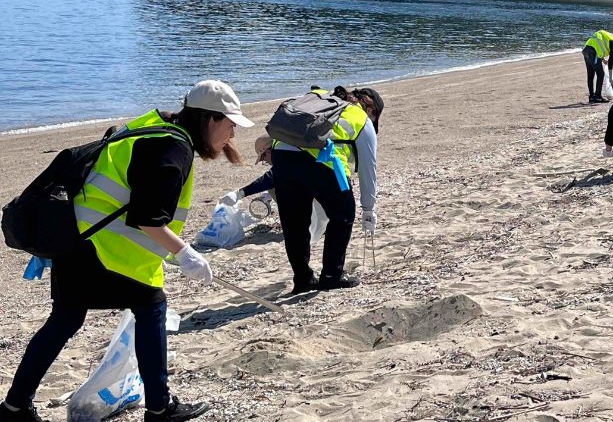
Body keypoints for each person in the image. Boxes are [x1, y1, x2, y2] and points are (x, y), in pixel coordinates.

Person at [0, 80, 253, 422]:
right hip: (104, 249)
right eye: (230, 125)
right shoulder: (172, 148)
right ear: (210, 119)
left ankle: (14, 406)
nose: (232, 136)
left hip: (74, 239)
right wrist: (185, 254)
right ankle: (160, 408)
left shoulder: (154, 125)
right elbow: (147, 219)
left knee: (65, 318)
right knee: (151, 307)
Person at [271, 86, 383, 295]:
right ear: (372, 110)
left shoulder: (320, 99)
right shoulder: (360, 117)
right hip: (322, 162)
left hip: (281, 155)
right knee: (342, 215)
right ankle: (331, 276)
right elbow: (369, 169)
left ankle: (303, 279)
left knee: (294, 222)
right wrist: (369, 210)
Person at [220, 135, 275, 206]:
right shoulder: (287, 147)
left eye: (264, 158)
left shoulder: (283, 157)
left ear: (267, 152)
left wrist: (239, 193)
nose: (268, 163)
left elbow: (271, 177)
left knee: (273, 189)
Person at [582, 30, 613, 103]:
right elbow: (611, 61)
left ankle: (592, 97)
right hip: (593, 52)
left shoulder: (612, 38)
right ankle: (598, 96)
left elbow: (599, 44)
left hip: (586, 49)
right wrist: (610, 78)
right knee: (600, 74)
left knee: (590, 75)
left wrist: (602, 60)